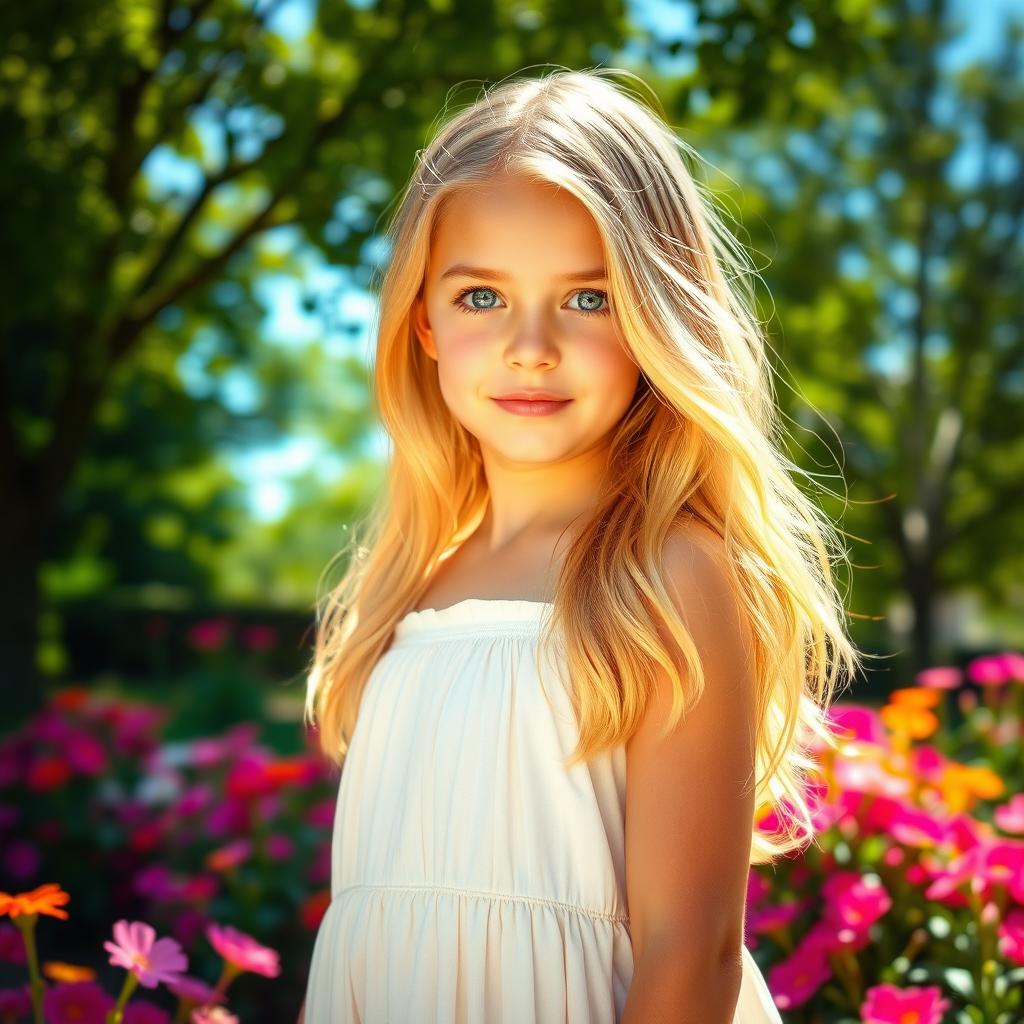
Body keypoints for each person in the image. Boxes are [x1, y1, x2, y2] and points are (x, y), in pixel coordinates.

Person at [297, 65, 862, 1023]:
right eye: (480, 298)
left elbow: (693, 951)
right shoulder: (407, 587)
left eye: (588, 299)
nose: (530, 345)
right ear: (422, 320)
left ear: (656, 320)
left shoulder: (666, 574)